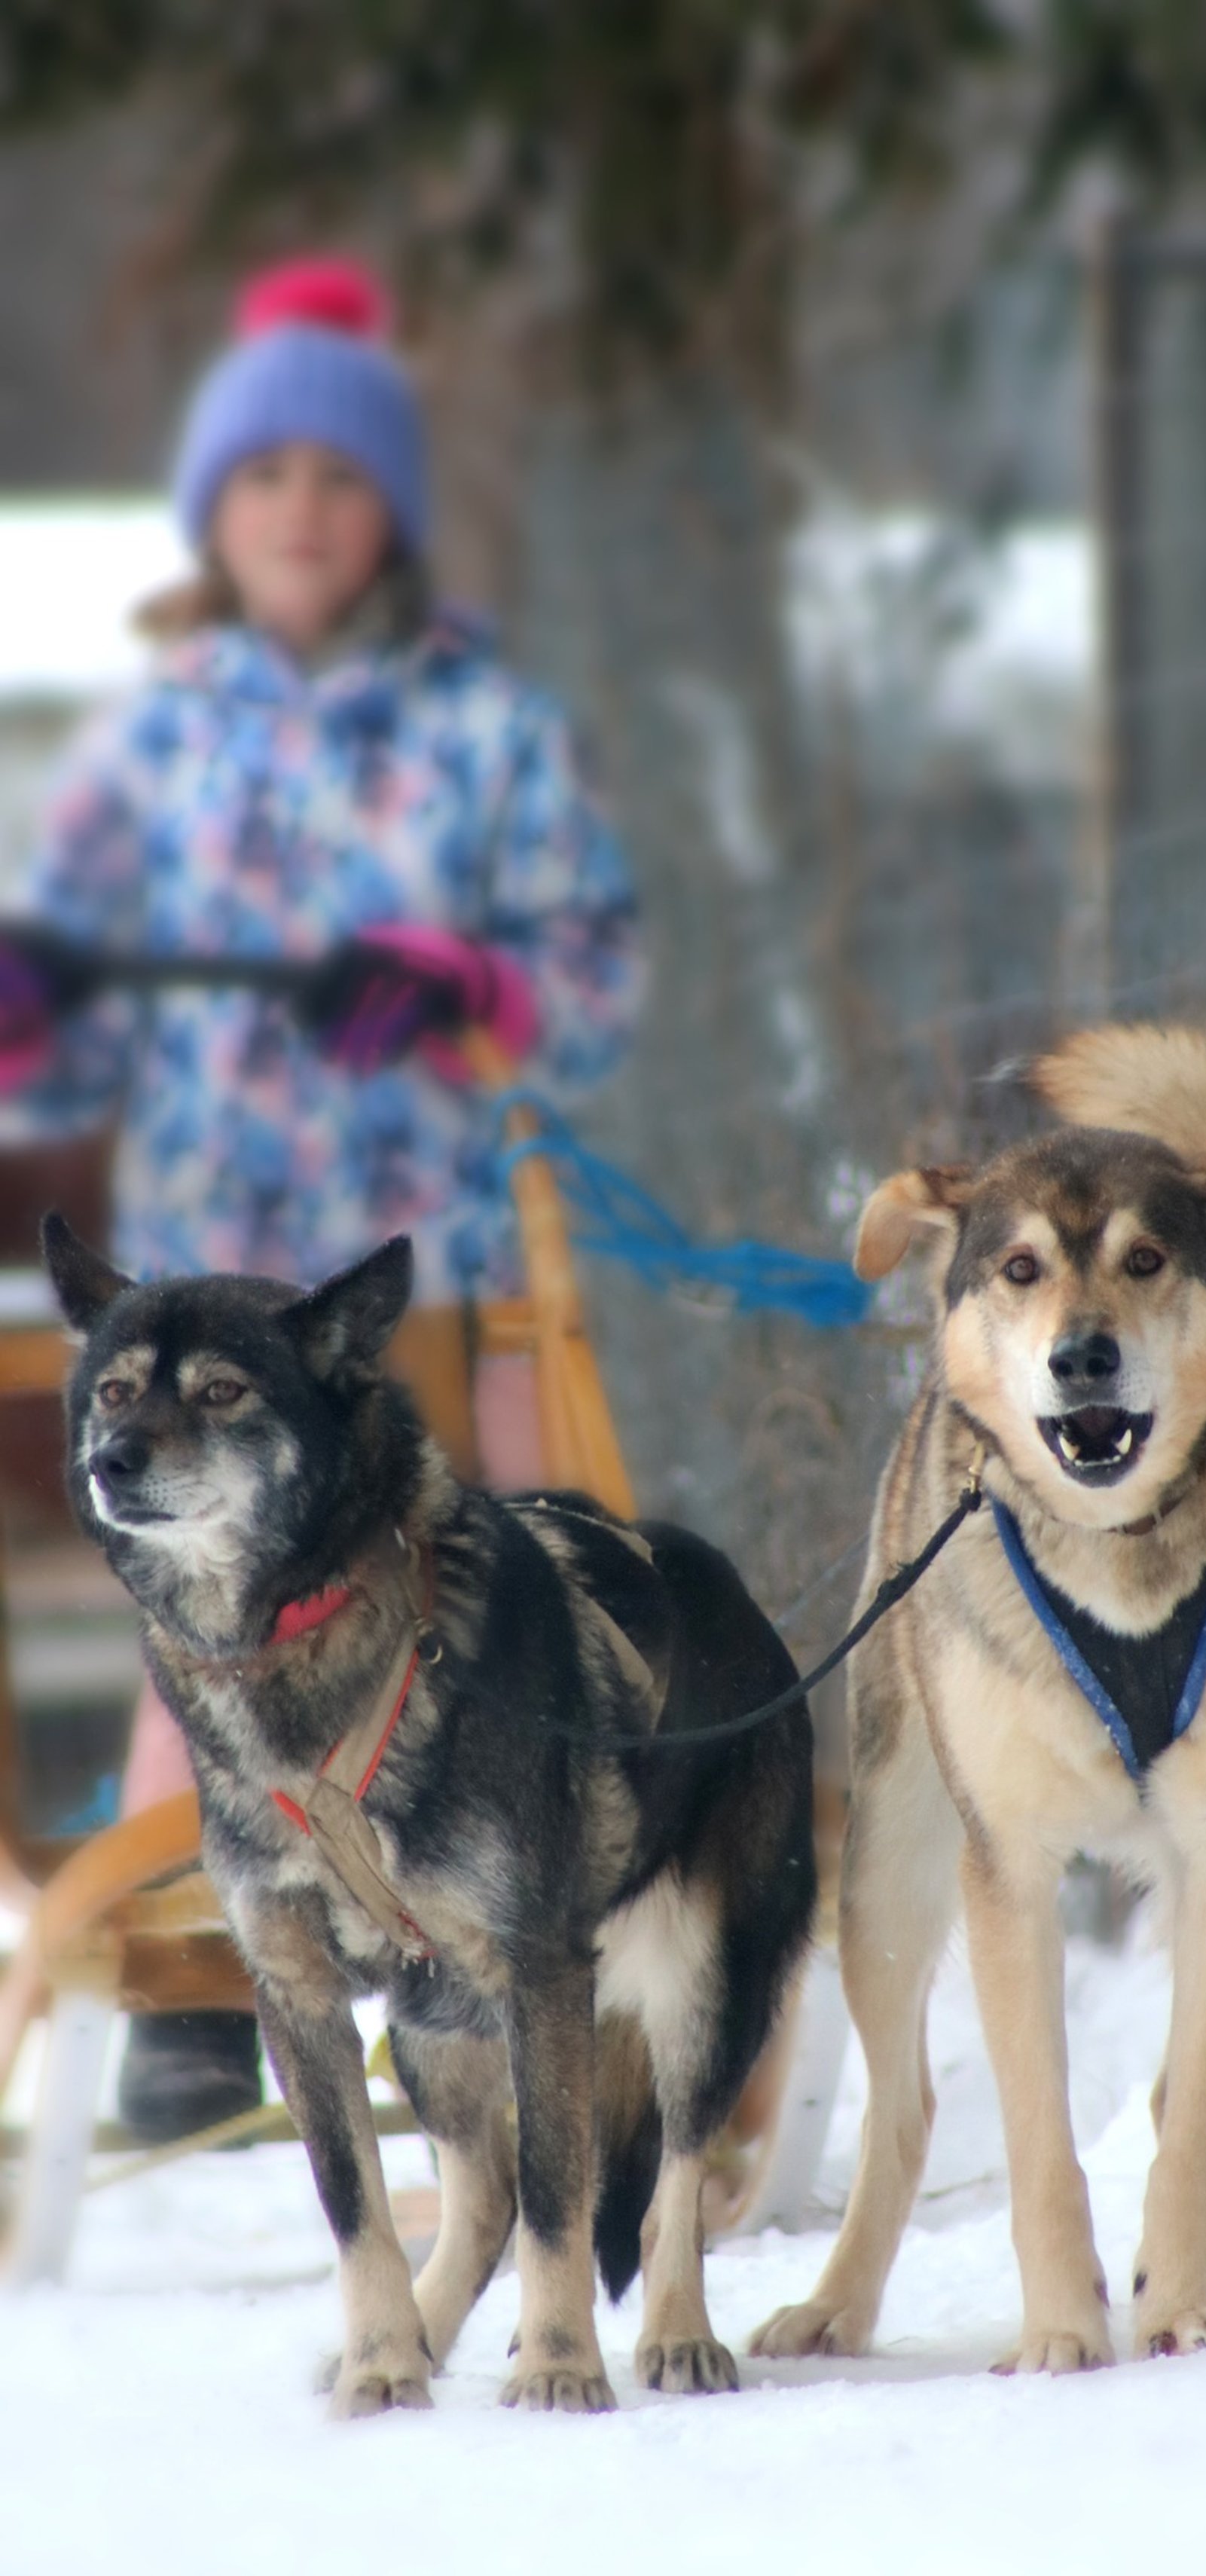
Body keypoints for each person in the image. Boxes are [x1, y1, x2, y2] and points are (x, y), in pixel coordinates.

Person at [0, 255, 643, 2140]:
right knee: (209, 1619)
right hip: (213, 1289)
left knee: (498, 1570)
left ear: (390, 516)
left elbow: (587, 974)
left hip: (426, 1269)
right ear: (215, 510)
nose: (301, 510)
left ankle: (540, 1917)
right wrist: (33, 1010)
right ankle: (199, 1973)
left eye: (339, 479)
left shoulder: (487, 733)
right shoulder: (146, 749)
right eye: (264, 477)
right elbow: (65, 1045)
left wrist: (480, 986)